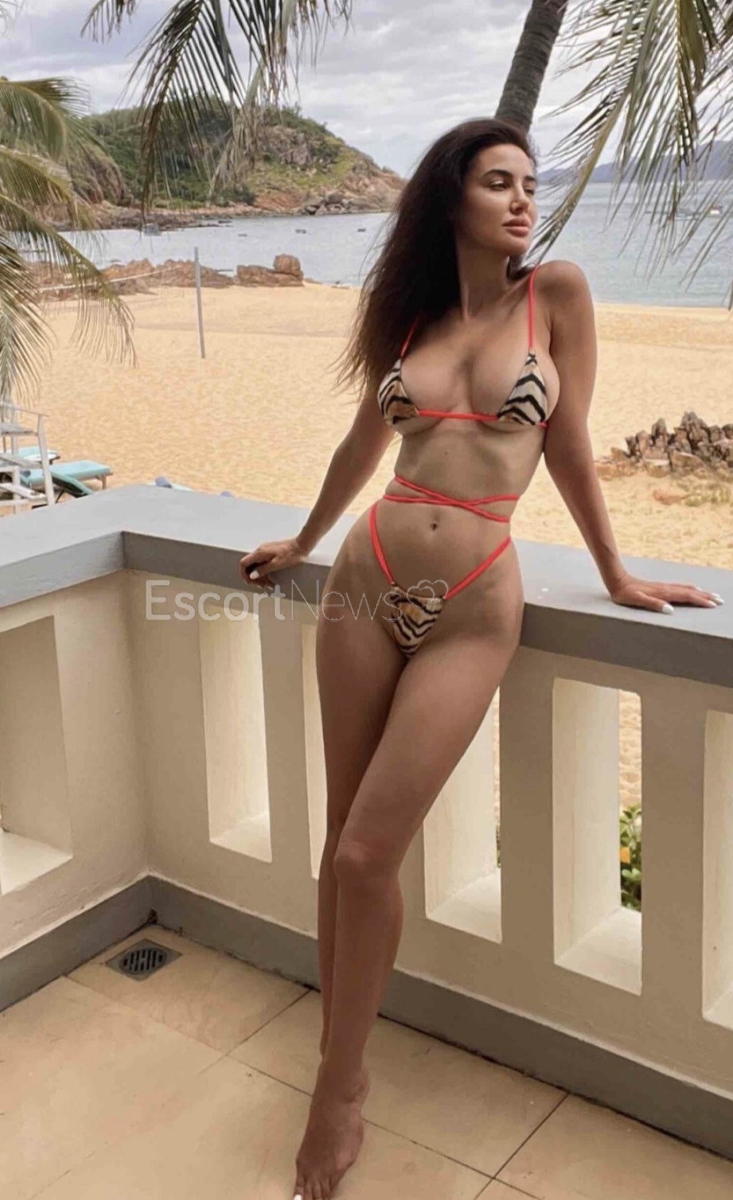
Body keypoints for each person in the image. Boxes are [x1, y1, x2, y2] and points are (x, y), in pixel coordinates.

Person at [238, 117, 722, 1200]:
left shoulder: (558, 295)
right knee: (340, 844)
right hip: (364, 578)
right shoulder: (408, 313)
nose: (521, 200)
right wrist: (304, 541)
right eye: (497, 181)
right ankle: (336, 1061)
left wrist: (616, 573)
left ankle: (338, 1092)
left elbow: (569, 442)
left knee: (367, 854)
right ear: (448, 196)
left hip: (472, 600)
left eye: (529, 184)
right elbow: (364, 442)